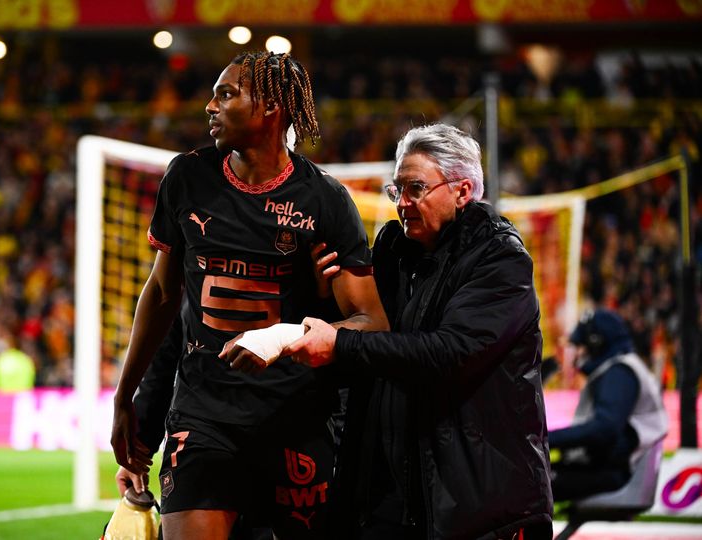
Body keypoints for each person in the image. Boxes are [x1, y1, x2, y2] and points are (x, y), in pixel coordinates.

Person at [110, 50, 388, 540]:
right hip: (204, 416)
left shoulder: (324, 200)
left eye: (226, 94)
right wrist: (124, 396)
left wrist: (292, 332)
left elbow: (372, 323)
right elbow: (160, 296)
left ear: (272, 107)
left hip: (296, 419)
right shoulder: (187, 178)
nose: (209, 107)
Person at [281, 123, 554, 539]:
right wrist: (322, 302)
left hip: (480, 509)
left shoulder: (500, 260)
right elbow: (366, 356)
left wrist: (341, 342)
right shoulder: (392, 252)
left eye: (416, 189)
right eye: (397, 191)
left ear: (462, 191)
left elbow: (449, 354)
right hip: (392, 501)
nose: (402, 203)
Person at [548, 308, 668, 501]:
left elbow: (604, 429)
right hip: (612, 467)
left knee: (523, 484)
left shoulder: (619, 373)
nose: (577, 353)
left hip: (614, 473)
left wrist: (546, 439)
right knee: (524, 480)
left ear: (596, 343)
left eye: (581, 346)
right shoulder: (618, 369)